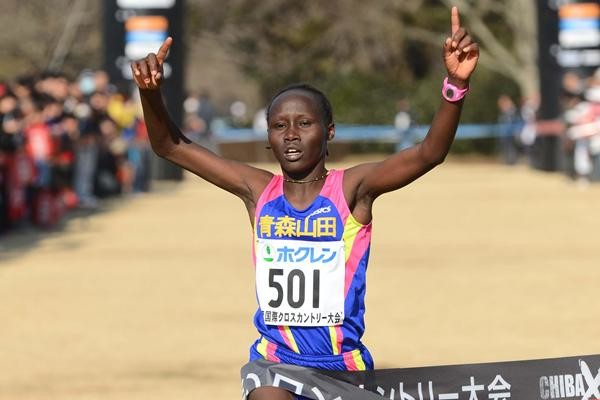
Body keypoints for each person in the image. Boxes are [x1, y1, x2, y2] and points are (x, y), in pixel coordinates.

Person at [131, 7, 479, 399]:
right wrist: (150, 94)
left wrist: (455, 85)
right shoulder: (258, 191)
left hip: (342, 368)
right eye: (279, 126)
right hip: (275, 361)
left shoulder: (352, 189)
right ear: (268, 138)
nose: (291, 135)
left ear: (329, 132)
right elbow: (170, 146)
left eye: (304, 123)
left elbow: (429, 153)